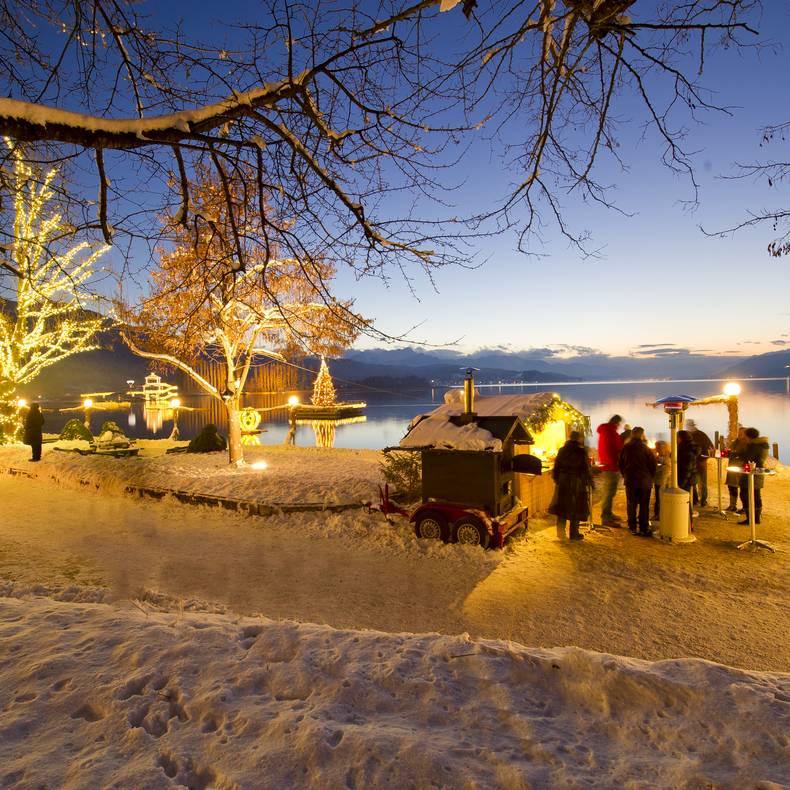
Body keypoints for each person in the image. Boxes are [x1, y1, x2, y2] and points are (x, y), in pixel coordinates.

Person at [550, 430, 593, 541]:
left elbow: (557, 466)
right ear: (578, 439)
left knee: (562, 506)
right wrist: (589, 481)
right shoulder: (581, 452)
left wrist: (557, 479)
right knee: (576, 507)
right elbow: (585, 469)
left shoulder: (562, 450)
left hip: (563, 481)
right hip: (576, 482)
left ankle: (560, 532)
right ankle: (574, 533)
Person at [618, 427, 656, 536]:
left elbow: (620, 463)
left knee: (631, 504)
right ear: (642, 435)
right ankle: (644, 527)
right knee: (644, 504)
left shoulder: (625, 448)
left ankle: (632, 527)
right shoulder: (646, 448)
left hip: (630, 480)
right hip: (644, 481)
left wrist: (625, 475)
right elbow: (652, 465)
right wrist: (650, 477)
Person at [737, 427, 770, 525]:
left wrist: (738, 454)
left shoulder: (754, 446)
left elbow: (747, 457)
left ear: (748, 436)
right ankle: (755, 518)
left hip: (751, 473)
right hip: (758, 473)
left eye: (745, 435)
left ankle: (751, 518)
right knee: (756, 495)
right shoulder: (762, 444)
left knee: (745, 494)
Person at [596, 414, 624, 526]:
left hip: (607, 465)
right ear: (616, 423)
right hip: (611, 466)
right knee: (609, 492)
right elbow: (614, 450)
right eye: (619, 423)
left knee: (610, 492)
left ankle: (608, 513)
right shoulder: (610, 432)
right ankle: (606, 517)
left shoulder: (605, 431)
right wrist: (617, 463)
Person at [685, 419, 713, 507]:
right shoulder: (686, 435)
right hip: (690, 463)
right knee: (691, 482)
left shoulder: (701, 435)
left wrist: (704, 459)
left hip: (700, 463)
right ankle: (695, 499)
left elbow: (710, 448)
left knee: (702, 483)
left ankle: (703, 500)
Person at [676, 430, 700, 521]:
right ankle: (687, 522)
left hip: (685, 479)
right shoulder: (687, 447)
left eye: (677, 437)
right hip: (688, 478)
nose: (676, 439)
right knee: (686, 500)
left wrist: (682, 482)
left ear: (681, 438)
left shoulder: (686, 449)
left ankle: (687, 523)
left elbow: (687, 467)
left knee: (685, 501)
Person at [725, 426, 748, 512]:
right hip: (732, 467)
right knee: (731, 486)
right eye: (739, 432)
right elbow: (730, 450)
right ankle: (732, 505)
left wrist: (735, 454)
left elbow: (744, 455)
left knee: (743, 489)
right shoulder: (735, 442)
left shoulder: (746, 443)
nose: (739, 434)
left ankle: (745, 507)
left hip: (740, 468)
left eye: (741, 433)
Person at [652, 439, 671, 521]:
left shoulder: (666, 457)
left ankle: (659, 515)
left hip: (662, 481)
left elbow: (662, 468)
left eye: (658, 447)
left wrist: (655, 467)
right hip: (660, 480)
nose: (657, 449)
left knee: (660, 498)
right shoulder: (660, 456)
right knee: (659, 498)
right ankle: (659, 514)